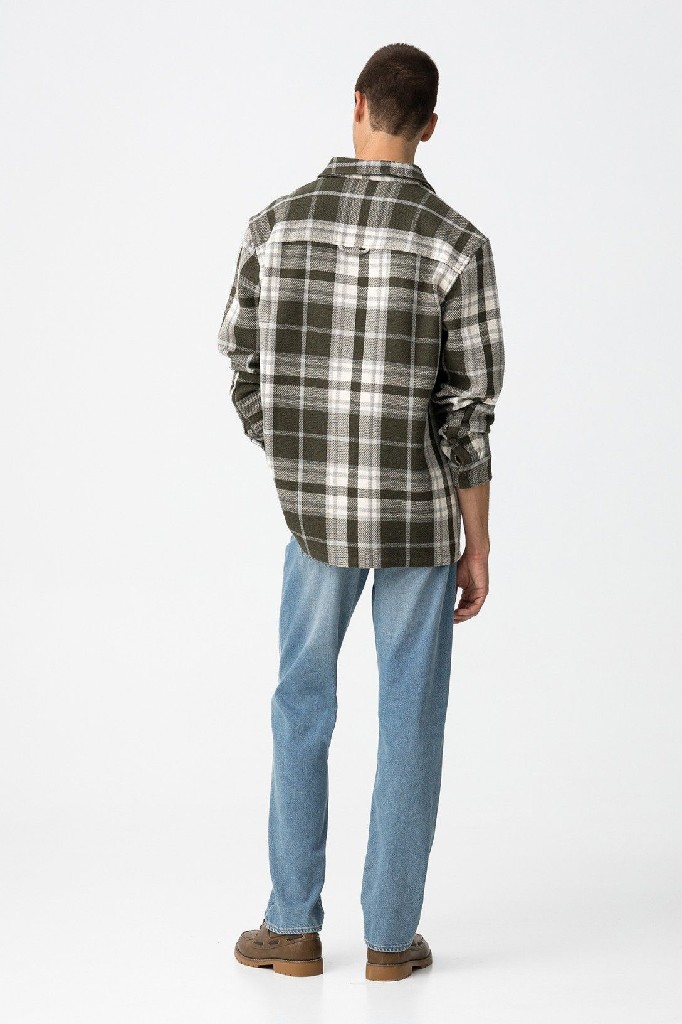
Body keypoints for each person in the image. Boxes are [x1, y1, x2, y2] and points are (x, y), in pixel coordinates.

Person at [217, 42, 506, 982]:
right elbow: (467, 411)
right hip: (420, 519)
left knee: (301, 702)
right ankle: (389, 939)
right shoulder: (457, 243)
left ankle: (291, 929)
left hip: (314, 520)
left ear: (356, 105)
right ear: (430, 125)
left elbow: (242, 363)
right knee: (410, 716)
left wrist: (296, 456)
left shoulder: (276, 224)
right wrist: (477, 541)